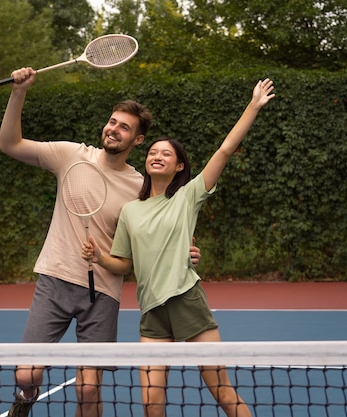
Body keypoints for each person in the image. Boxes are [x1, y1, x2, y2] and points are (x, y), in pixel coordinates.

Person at [0, 67, 202, 417]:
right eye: (112, 122)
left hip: (102, 293)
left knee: (88, 388)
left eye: (125, 127)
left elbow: (163, 224)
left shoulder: (139, 187)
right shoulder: (71, 156)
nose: (114, 129)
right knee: (26, 374)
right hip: (55, 279)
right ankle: (24, 400)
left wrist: (186, 249)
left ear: (137, 140)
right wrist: (19, 93)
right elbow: (9, 144)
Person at [81, 78, 275, 417]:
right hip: (152, 313)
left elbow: (225, 149)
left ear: (179, 166)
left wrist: (254, 106)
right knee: (151, 402)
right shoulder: (130, 211)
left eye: (166, 154)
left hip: (187, 300)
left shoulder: (188, 196)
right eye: (153, 152)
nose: (157, 157)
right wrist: (99, 256)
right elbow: (124, 265)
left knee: (221, 391)